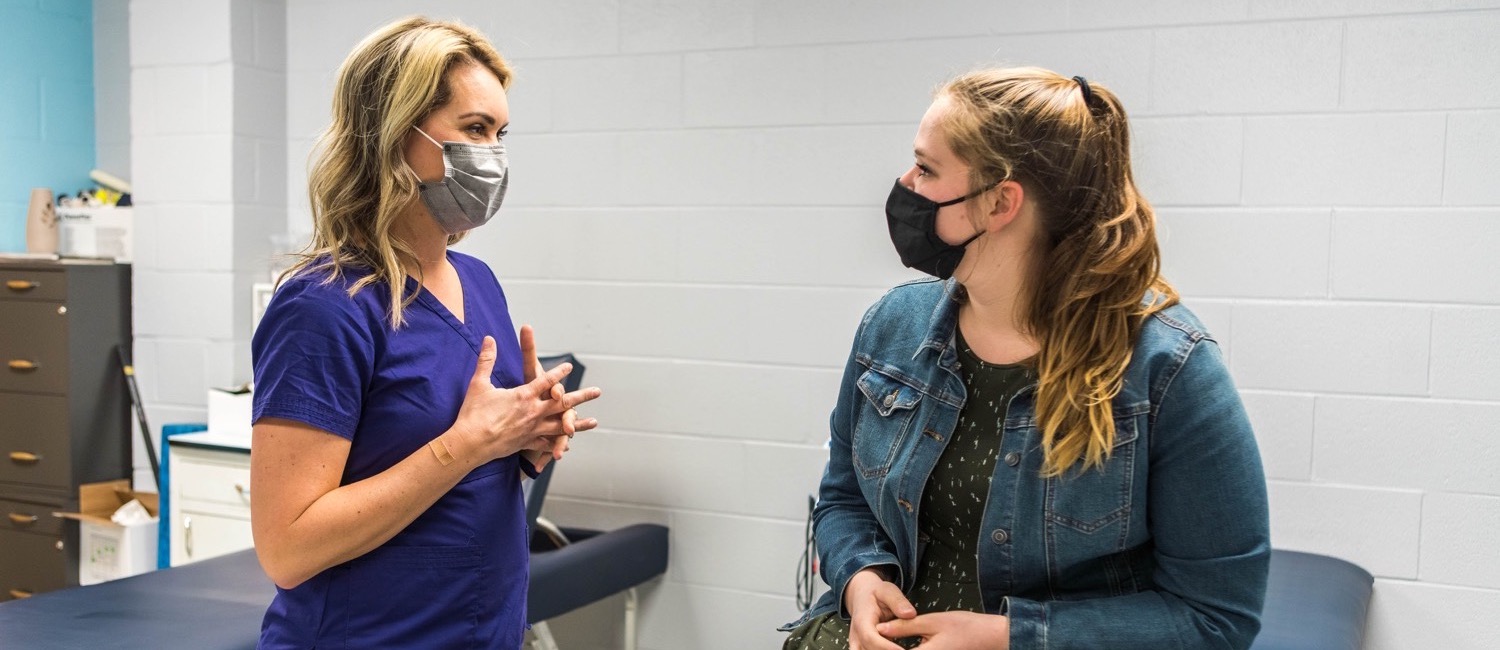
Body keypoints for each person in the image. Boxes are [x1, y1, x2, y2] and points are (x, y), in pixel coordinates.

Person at [781, 67, 1270, 650]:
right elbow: (844, 499)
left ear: (999, 202)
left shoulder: (1167, 367)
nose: (905, 183)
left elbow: (1215, 620)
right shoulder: (892, 327)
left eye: (927, 169)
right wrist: (861, 579)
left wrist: (1009, 637)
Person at [249, 17, 601, 649]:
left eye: (499, 133)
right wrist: (466, 445)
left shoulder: (478, 281)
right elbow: (286, 549)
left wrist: (526, 441)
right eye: (473, 129)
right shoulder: (326, 306)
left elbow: (464, 457)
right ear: (393, 133)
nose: (492, 154)